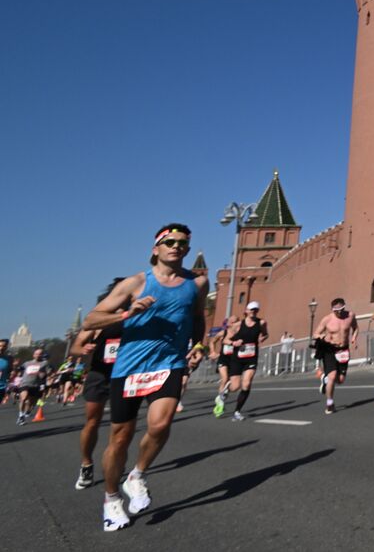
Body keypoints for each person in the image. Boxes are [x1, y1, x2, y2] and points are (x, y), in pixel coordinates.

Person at [81, 223, 206, 532]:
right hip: (130, 368)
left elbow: (198, 317)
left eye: (182, 243)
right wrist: (127, 314)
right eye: (169, 242)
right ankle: (111, 498)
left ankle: (137, 475)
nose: (176, 246)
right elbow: (91, 319)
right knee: (121, 437)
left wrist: (199, 344)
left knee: (161, 424)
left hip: (169, 363)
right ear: (156, 248)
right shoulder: (135, 283)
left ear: (187, 250)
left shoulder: (198, 283)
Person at [73, 279, 126, 489]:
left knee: (120, 426)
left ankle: (114, 463)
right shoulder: (100, 316)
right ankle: (86, 462)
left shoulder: (136, 315)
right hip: (100, 374)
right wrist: (83, 350)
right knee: (92, 421)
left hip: (124, 374)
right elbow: (76, 347)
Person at [214, 303, 268, 421]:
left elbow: (265, 334)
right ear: (246, 311)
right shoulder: (238, 325)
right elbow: (226, 340)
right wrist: (233, 343)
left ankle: (237, 411)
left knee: (247, 383)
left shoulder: (261, 323)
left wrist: (262, 338)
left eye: (256, 310)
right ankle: (225, 392)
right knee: (235, 387)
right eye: (251, 310)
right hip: (237, 358)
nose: (254, 312)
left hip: (251, 357)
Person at [313, 298, 359, 414]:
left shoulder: (350, 316)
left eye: (341, 309)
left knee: (340, 380)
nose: (339, 312)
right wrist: (323, 337)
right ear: (332, 309)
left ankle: (325, 378)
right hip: (329, 349)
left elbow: (356, 328)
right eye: (336, 310)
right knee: (333, 376)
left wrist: (354, 338)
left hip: (343, 349)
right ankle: (330, 403)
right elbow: (315, 334)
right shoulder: (327, 319)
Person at [15, 348, 49, 424]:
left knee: (32, 402)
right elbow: (19, 369)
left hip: (36, 385)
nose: (38, 355)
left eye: (40, 354)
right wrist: (16, 366)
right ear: (33, 355)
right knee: (24, 398)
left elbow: (48, 372)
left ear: (42, 355)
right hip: (25, 383)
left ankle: (26, 412)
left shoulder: (44, 363)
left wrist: (44, 375)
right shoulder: (27, 363)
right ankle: (21, 416)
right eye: (36, 354)